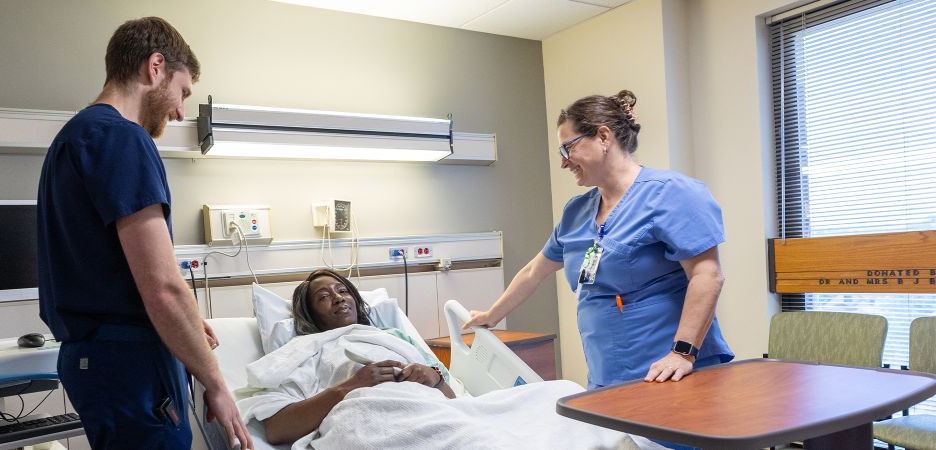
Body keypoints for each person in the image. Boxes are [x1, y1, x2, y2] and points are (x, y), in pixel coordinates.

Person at [37, 17, 251, 449]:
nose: (180, 111)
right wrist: (216, 384)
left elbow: (113, 273)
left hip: (95, 359)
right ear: (155, 67)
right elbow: (162, 287)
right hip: (129, 362)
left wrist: (186, 327)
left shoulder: (73, 139)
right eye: (183, 92)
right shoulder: (122, 138)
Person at [464, 90, 734, 391]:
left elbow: (707, 275)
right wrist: (491, 316)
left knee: (667, 439)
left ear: (603, 137)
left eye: (568, 148)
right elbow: (533, 272)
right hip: (608, 371)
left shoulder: (671, 194)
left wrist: (682, 353)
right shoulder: (577, 212)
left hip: (670, 370)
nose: (564, 163)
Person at [261, 269, 455, 445]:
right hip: (369, 427)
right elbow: (277, 429)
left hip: (432, 413)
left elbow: (452, 398)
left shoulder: (394, 336)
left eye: (343, 291)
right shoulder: (302, 351)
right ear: (310, 314)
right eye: (323, 297)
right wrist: (352, 385)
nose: (338, 298)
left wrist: (434, 378)